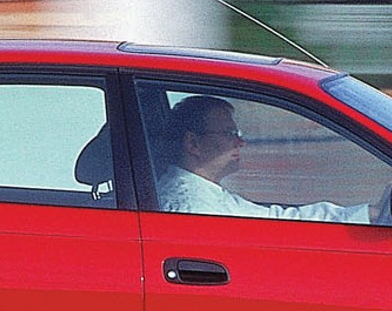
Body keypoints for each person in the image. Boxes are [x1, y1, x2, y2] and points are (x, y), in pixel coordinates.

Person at [155, 95, 372, 223]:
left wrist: (365, 215)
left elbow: (276, 218)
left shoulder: (204, 193)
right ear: (193, 144)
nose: (241, 143)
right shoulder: (193, 206)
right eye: (230, 134)